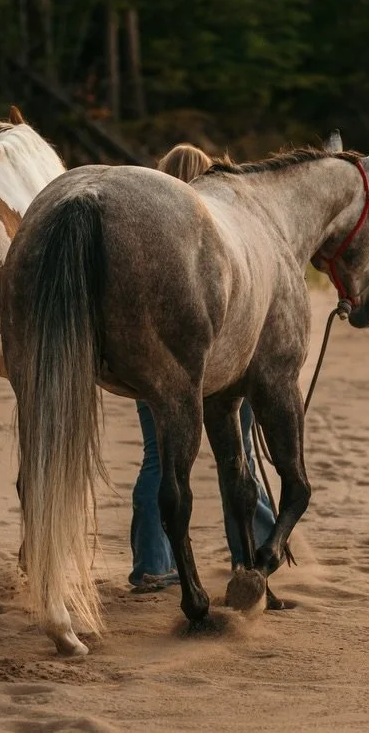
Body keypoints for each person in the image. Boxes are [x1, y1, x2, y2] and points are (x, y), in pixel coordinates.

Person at [129, 143, 277, 589]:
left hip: (155, 366)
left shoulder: (151, 243)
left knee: (157, 460)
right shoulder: (220, 234)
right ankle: (255, 553)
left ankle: (153, 565)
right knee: (240, 455)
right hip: (225, 365)